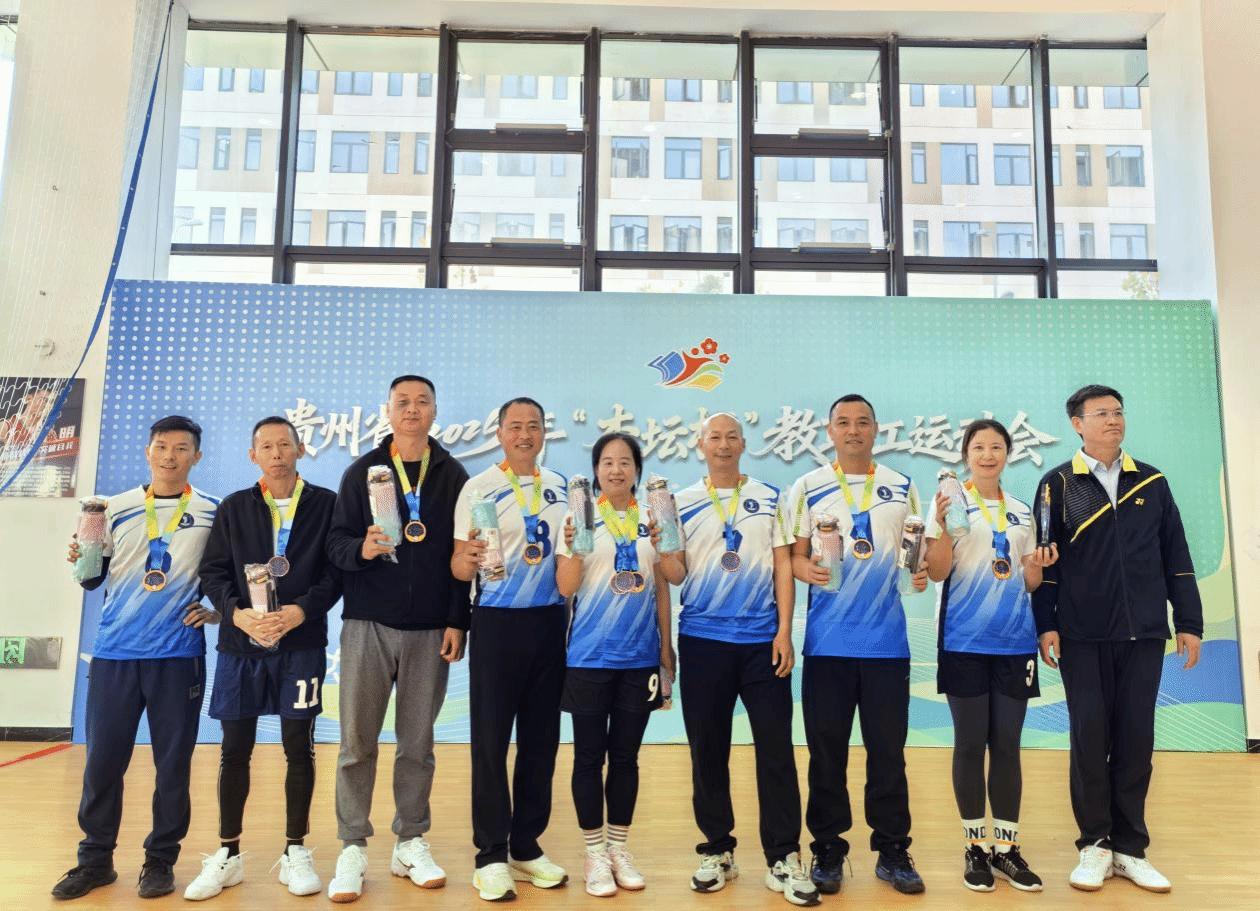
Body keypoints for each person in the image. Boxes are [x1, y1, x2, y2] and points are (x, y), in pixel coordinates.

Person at [1032, 384, 1203, 894]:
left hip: (1144, 633)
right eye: (1101, 413)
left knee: (1135, 741)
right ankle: (1094, 844)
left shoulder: (1151, 481)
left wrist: (1189, 621)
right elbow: (1047, 563)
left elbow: (1176, 554)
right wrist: (1046, 623)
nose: (1113, 420)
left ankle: (1130, 848)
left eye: (1118, 412)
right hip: (1082, 635)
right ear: (1077, 424)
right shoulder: (1057, 484)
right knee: (1090, 739)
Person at [52, 415, 221, 901]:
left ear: (196, 456)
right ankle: (95, 861)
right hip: (115, 656)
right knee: (102, 764)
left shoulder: (212, 511)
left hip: (178, 657)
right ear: (148, 452)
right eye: (162, 446)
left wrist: (216, 614)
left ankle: (160, 860)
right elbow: (91, 578)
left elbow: (225, 575)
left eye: (181, 448)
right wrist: (81, 558)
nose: (170, 456)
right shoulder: (113, 507)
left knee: (173, 767)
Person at [323, 375, 471, 903]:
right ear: (387, 411)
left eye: (422, 401)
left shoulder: (453, 475)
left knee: (417, 744)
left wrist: (458, 620)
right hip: (368, 624)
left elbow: (463, 554)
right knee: (356, 743)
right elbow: (335, 544)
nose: (412, 409)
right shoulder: (361, 471)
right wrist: (360, 549)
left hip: (431, 628)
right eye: (403, 402)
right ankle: (352, 846)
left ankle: (410, 840)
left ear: (434, 411)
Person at [187, 416, 341, 900]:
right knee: (235, 749)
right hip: (241, 648)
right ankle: (228, 854)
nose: (276, 454)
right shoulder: (235, 507)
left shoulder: (327, 504)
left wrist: (300, 611)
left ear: (300, 449)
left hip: (301, 645)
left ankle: (296, 850)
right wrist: (236, 616)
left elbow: (336, 573)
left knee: (300, 746)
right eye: (266, 447)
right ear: (253, 455)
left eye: (284, 445)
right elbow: (213, 573)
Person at [670, 412, 819, 907]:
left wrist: (784, 632)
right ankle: (717, 850)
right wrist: (659, 544)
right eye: (714, 437)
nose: (723, 444)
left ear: (743, 444)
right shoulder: (680, 502)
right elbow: (675, 573)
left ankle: (783, 855)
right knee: (707, 751)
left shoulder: (771, 497)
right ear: (700, 445)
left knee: (775, 751)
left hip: (761, 643)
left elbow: (782, 565)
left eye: (731, 436)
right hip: (702, 641)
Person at [788, 394, 927, 896]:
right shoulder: (807, 487)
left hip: (887, 646)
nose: (853, 430)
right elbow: (794, 558)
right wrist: (806, 569)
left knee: (888, 755)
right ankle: (828, 848)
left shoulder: (902, 486)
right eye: (843, 422)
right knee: (826, 755)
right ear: (829, 431)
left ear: (875, 429)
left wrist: (919, 573)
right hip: (827, 646)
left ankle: (892, 850)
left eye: (862, 422)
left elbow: (915, 556)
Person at [922, 418, 1057, 893]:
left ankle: (1007, 850)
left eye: (996, 447)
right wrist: (942, 527)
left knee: (1006, 746)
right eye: (978, 447)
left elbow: (1030, 582)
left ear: (1006, 454)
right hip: (963, 642)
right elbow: (937, 573)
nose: (987, 455)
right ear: (966, 455)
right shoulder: (949, 505)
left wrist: (1036, 564)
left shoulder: (1021, 511)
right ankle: (975, 848)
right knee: (968, 744)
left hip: (1014, 644)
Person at [452, 397, 570, 902]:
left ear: (545, 433)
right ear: (499, 433)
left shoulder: (563, 487)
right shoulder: (478, 487)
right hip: (497, 623)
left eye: (534, 426)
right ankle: (490, 855)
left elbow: (573, 559)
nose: (525, 434)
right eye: (515, 426)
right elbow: (458, 564)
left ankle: (525, 845)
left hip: (550, 623)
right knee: (491, 742)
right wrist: (469, 559)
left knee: (542, 741)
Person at [555, 432, 678, 897]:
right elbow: (565, 588)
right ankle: (593, 854)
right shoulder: (579, 518)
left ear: (637, 471)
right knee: (589, 757)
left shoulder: (655, 516)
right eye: (607, 462)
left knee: (626, 758)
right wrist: (575, 548)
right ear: (596, 471)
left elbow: (669, 581)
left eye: (625, 462)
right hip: (588, 657)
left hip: (639, 659)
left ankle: (618, 849)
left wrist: (665, 648)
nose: (616, 470)